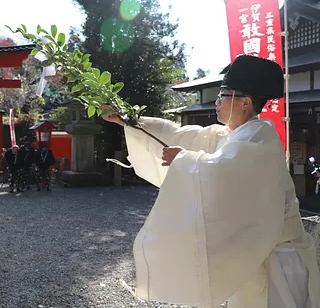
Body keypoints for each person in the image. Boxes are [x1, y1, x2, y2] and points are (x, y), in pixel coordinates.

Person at [103, 55, 320, 308]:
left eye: (223, 96)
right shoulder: (233, 135)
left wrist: (183, 160)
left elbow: (225, 173)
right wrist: (130, 121)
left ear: (245, 102)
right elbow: (182, 135)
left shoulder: (260, 139)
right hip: (256, 254)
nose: (217, 103)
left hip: (278, 259)